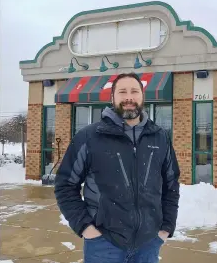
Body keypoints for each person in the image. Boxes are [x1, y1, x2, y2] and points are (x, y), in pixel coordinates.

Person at [54, 72, 180, 263]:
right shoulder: (89, 137)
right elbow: (65, 185)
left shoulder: (159, 137)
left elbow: (171, 185)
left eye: (134, 91)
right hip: (104, 244)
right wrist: (85, 227)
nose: (129, 97)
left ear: (142, 96)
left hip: (148, 243)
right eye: (122, 92)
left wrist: (166, 227)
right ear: (112, 97)